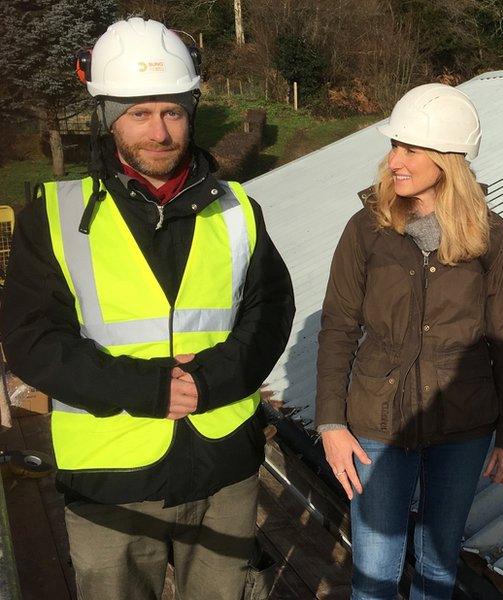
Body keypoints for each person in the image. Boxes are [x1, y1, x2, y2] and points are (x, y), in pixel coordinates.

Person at [0, 17, 294, 600]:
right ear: (109, 119)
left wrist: (214, 378)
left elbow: (270, 312)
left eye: (172, 111)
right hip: (111, 474)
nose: (159, 132)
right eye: (139, 113)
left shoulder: (238, 209)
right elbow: (33, 339)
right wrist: (146, 388)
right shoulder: (56, 217)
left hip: (224, 469)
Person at [315, 82, 503, 600]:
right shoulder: (365, 229)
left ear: (447, 159)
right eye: (394, 147)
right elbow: (339, 327)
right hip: (376, 426)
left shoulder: (490, 235)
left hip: (463, 425)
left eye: (409, 148)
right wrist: (330, 423)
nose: (394, 161)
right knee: (374, 570)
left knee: (437, 567)